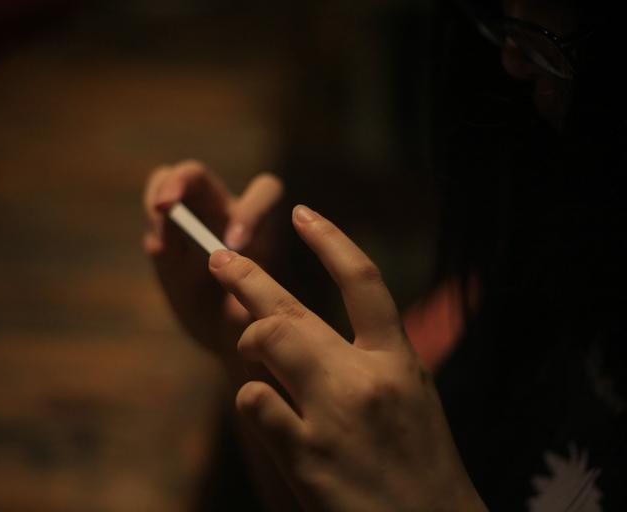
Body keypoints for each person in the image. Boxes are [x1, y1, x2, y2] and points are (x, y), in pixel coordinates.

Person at [143, 0, 625, 509]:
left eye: (555, 46)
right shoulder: (540, 268)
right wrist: (244, 338)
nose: (513, 60)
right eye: (509, 27)